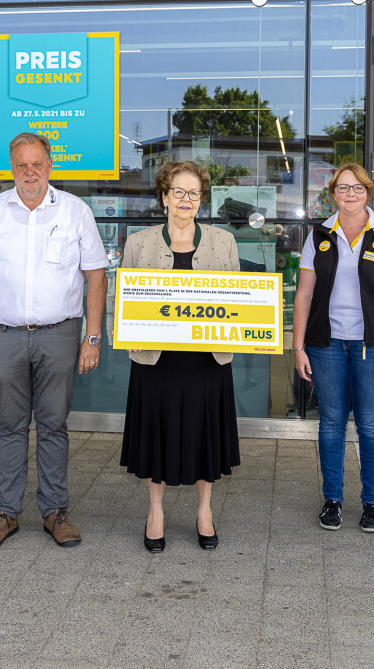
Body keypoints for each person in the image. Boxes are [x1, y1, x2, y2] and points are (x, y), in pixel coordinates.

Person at [0, 132, 109, 549]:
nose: (29, 172)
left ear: (50, 165)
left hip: (59, 335)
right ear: (11, 168)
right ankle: (5, 513)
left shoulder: (76, 211)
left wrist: (91, 338)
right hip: (3, 335)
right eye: (21, 165)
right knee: (10, 427)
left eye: (37, 164)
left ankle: (55, 511)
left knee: (54, 425)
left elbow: (96, 276)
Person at [119, 161, 241, 553]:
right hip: (158, 361)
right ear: (164, 196)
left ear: (201, 199)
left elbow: (240, 302)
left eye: (194, 193)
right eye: (178, 192)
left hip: (207, 360)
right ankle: (156, 512)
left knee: (206, 435)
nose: (186, 200)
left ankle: (204, 511)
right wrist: (126, 336)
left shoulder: (224, 242)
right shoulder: (139, 242)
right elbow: (120, 300)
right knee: (158, 434)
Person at [292, 163, 374, 534]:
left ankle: (372, 503)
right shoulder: (319, 234)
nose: (350, 195)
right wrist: (297, 347)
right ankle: (333, 499)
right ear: (332, 194)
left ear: (368, 192)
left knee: (371, 423)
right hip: (325, 342)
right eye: (343, 188)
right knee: (331, 422)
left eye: (358, 188)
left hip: (372, 344)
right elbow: (304, 294)